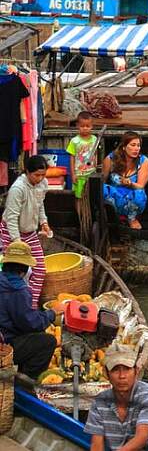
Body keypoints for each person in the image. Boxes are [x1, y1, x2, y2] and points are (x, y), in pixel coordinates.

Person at [84, 342, 148, 451]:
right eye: (115, 370)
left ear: (136, 371)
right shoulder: (99, 402)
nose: (122, 376)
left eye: (127, 369)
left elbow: (142, 437)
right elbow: (96, 445)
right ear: (106, 373)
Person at [0, 241, 60, 379]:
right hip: (5, 343)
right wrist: (52, 313)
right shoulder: (18, 291)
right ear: (25, 269)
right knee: (48, 342)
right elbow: (31, 324)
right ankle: (25, 381)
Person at [1, 155, 50, 304]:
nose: (40, 178)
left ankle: (31, 305)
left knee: (39, 270)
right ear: (27, 172)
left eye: (43, 175)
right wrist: (17, 241)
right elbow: (11, 217)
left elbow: (40, 204)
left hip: (29, 233)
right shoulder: (18, 188)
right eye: (37, 175)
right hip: (11, 232)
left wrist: (44, 222)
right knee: (11, 273)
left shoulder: (43, 184)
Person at [101, 132, 148, 230]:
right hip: (114, 197)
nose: (136, 148)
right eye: (133, 145)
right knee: (102, 188)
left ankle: (132, 218)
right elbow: (102, 180)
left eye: (138, 146)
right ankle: (111, 216)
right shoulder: (111, 159)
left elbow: (141, 186)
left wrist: (130, 184)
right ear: (124, 147)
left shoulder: (144, 161)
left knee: (140, 194)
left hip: (131, 198)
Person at [67, 111, 99, 199]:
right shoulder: (74, 141)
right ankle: (79, 212)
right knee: (78, 197)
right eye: (82, 126)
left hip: (91, 174)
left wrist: (95, 166)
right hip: (79, 175)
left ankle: (88, 213)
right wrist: (73, 174)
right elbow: (72, 158)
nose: (85, 128)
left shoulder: (95, 139)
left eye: (87, 126)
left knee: (91, 197)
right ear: (77, 125)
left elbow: (95, 154)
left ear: (92, 126)